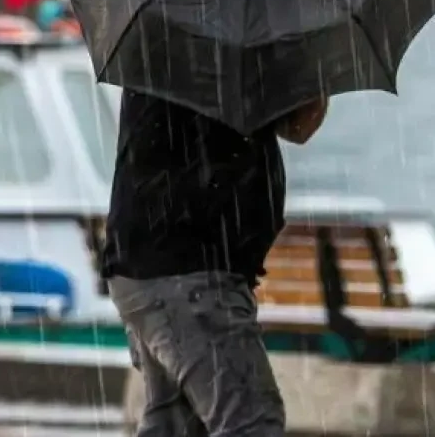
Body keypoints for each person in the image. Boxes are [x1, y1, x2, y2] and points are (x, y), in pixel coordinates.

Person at [103, 93, 329, 437]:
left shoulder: (177, 50)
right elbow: (296, 121)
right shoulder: (226, 51)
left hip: (153, 263)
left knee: (178, 425)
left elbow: (298, 125)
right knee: (250, 422)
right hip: (188, 270)